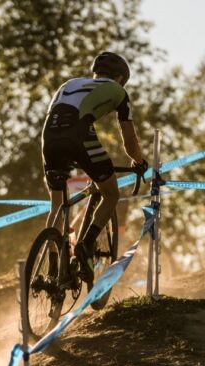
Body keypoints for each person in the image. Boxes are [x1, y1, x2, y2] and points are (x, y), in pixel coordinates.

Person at [41, 51, 146, 285]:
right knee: (111, 193)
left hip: (49, 137)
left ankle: (52, 268)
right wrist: (139, 162)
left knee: (57, 205)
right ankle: (85, 245)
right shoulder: (119, 92)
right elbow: (130, 141)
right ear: (121, 78)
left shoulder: (70, 83)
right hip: (77, 133)